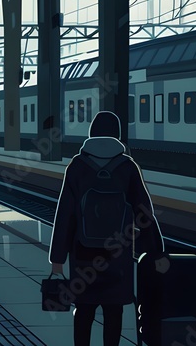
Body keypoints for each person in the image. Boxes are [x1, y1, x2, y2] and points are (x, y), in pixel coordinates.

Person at [49, 111, 164, 346]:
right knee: (114, 312)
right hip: (118, 255)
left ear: (92, 133)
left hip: (83, 254)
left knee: (84, 309)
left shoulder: (77, 166)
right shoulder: (128, 167)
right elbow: (145, 213)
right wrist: (155, 251)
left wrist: (57, 259)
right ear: (117, 135)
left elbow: (65, 215)